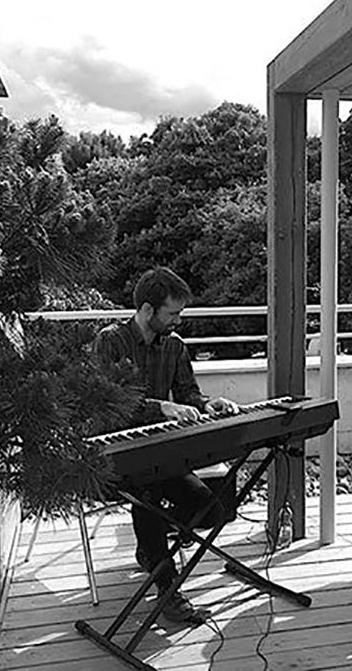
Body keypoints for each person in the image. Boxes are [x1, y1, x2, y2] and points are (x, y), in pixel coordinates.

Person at [95, 266, 239, 623]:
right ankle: (168, 588)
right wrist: (162, 407)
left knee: (213, 511)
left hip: (161, 454)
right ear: (148, 310)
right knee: (148, 500)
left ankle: (151, 549)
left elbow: (188, 394)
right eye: (172, 313)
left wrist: (208, 404)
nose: (178, 321)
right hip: (115, 456)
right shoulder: (111, 341)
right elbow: (108, 403)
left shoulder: (174, 345)